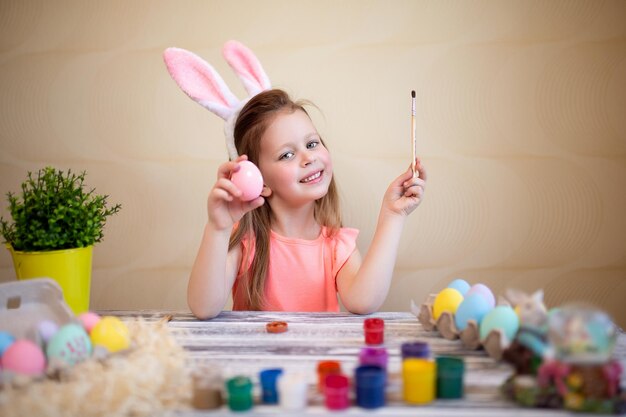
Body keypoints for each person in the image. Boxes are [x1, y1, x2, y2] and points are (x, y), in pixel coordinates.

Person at [188, 88, 427, 319]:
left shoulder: (336, 245)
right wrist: (217, 228)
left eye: (312, 144)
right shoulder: (244, 241)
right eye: (287, 155)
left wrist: (393, 215)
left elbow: (363, 301)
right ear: (260, 181)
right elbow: (204, 308)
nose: (308, 158)